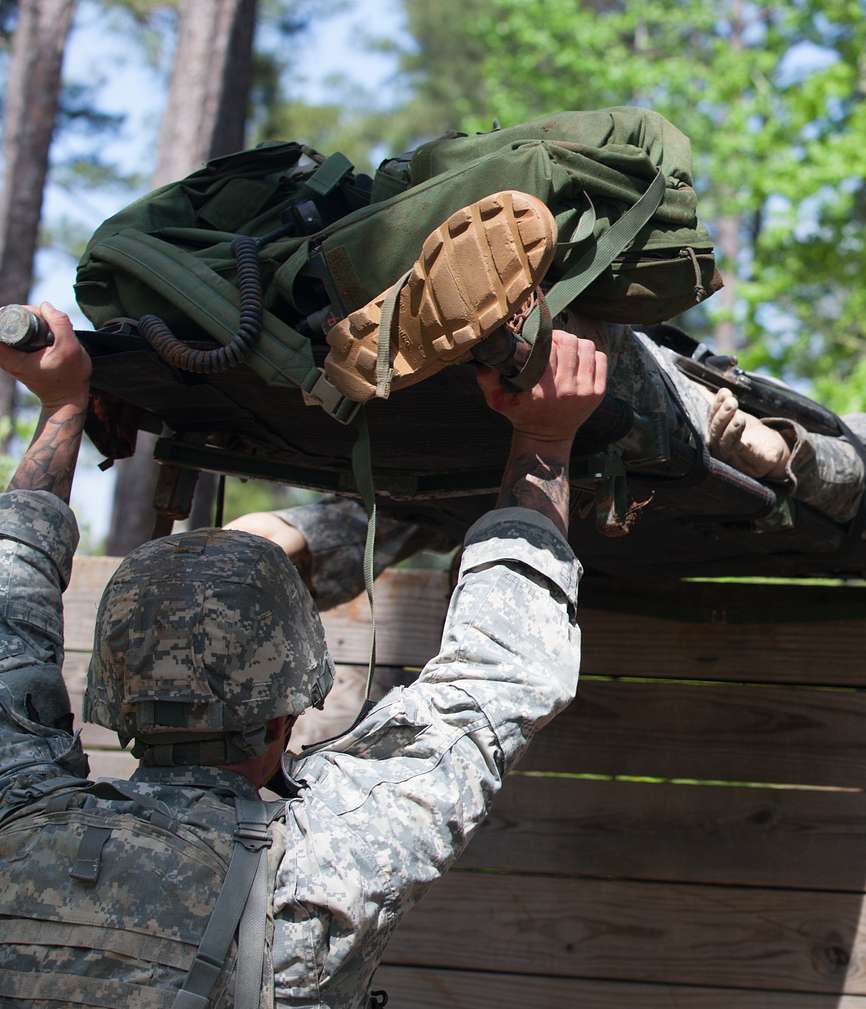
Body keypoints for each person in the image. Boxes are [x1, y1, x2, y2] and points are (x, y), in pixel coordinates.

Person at [0, 286, 607, 1008]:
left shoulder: (21, 827)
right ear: (290, 711)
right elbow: (498, 678)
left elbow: (12, 617)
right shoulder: (315, 871)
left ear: (114, 692)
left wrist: (62, 405)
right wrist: (542, 440)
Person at [233, 311, 866, 611]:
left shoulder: (853, 446)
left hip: (591, 429)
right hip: (524, 451)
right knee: (425, 499)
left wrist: (773, 450)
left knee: (424, 502)